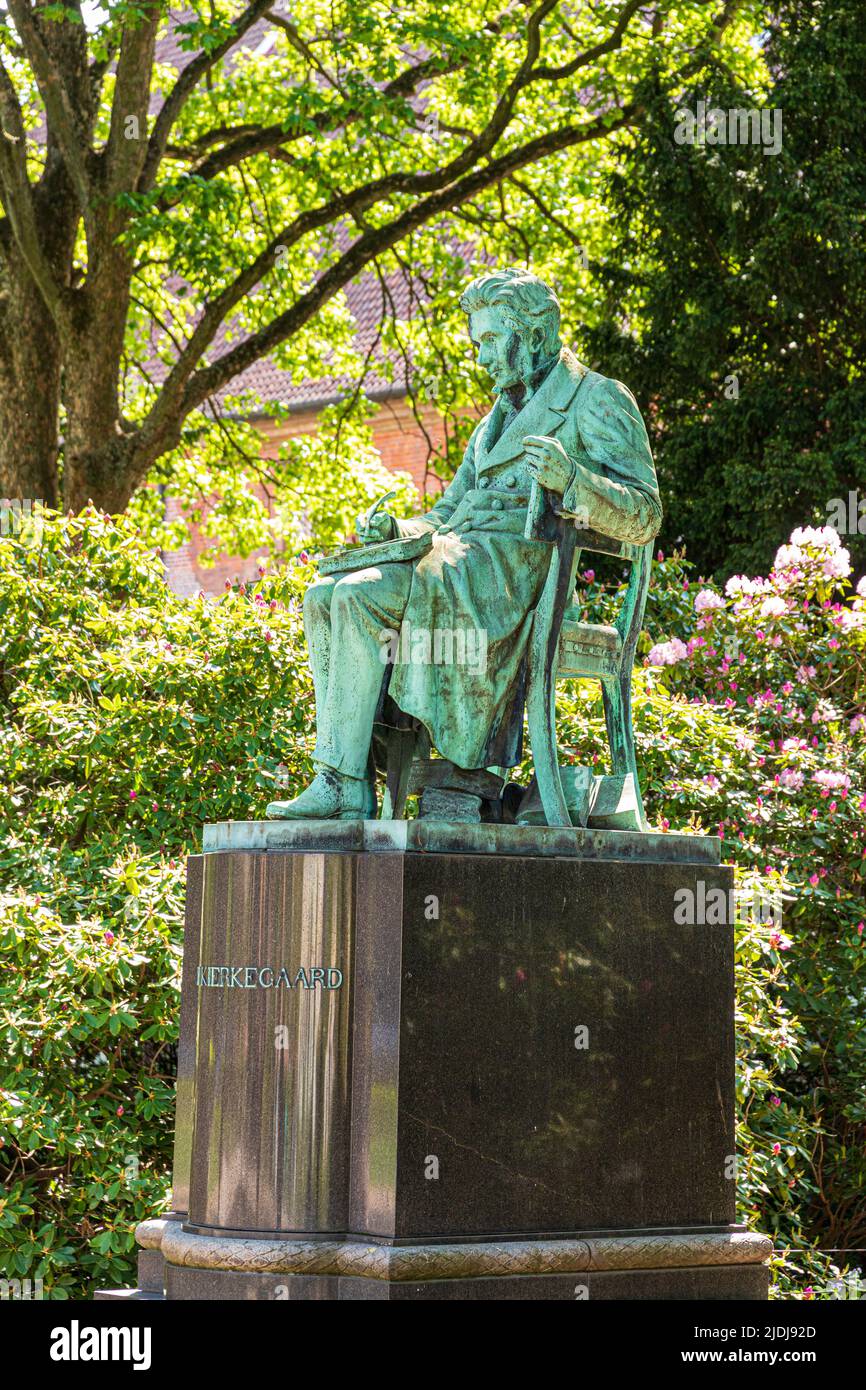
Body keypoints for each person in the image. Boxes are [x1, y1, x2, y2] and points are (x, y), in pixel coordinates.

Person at [267, 267, 661, 820]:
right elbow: (448, 512)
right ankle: (342, 781)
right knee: (324, 595)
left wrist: (573, 479)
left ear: (537, 332)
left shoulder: (596, 398)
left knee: (356, 596)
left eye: (492, 340)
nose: (481, 357)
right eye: (477, 343)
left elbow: (645, 513)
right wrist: (398, 531)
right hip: (458, 564)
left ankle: (380, 780)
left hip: (519, 580)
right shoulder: (493, 422)